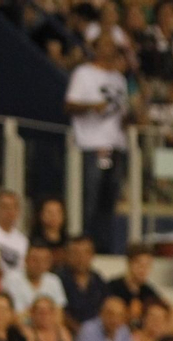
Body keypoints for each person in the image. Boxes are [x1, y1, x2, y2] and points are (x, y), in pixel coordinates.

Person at [64, 36, 132, 254]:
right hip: (92, 145)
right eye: (106, 46)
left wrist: (134, 116)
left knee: (109, 199)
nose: (111, 50)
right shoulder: (83, 73)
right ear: (95, 49)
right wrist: (94, 106)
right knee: (89, 199)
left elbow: (121, 114)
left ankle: (103, 246)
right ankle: (84, 244)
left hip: (116, 146)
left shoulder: (119, 79)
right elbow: (70, 105)